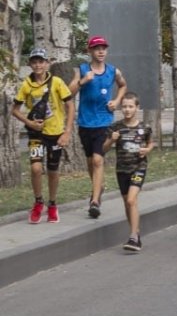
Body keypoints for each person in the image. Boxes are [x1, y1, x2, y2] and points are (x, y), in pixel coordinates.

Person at [12, 47, 74, 223]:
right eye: (34, 61)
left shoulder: (57, 82)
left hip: (55, 133)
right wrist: (29, 123)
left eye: (41, 61)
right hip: (36, 133)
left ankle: (52, 204)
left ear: (47, 63)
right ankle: (38, 202)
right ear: (30, 64)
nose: (38, 65)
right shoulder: (26, 84)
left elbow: (70, 106)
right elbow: (15, 110)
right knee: (36, 168)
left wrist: (67, 132)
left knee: (53, 171)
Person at [69, 36, 127, 219]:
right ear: (90, 51)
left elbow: (123, 85)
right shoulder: (82, 70)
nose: (101, 51)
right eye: (97, 48)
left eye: (103, 48)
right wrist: (83, 81)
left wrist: (117, 101)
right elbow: (68, 92)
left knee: (97, 160)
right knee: (90, 162)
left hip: (104, 122)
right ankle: (98, 186)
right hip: (85, 123)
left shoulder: (113, 71)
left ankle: (94, 201)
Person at [104, 93, 153, 252]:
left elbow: (150, 143)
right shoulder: (116, 127)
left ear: (137, 108)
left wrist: (147, 150)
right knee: (127, 203)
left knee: (131, 200)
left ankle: (133, 236)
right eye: (124, 106)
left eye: (130, 106)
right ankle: (136, 233)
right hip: (122, 170)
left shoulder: (144, 127)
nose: (127, 109)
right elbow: (103, 149)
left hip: (138, 167)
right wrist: (112, 139)